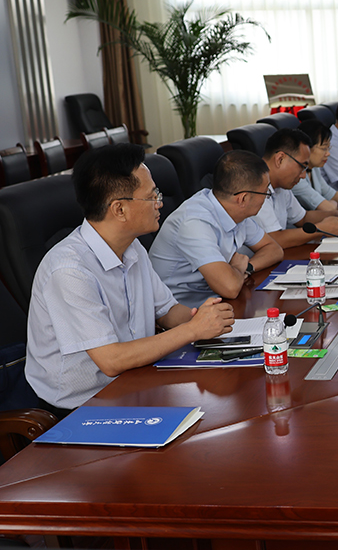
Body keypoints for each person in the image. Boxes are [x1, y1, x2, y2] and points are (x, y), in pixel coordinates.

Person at [23, 145, 237, 414]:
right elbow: (111, 360)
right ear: (119, 209)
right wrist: (193, 330)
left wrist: (207, 317)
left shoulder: (132, 247)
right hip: (82, 406)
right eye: (152, 196)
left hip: (137, 380)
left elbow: (167, 311)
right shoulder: (69, 270)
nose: (159, 203)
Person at [150, 150, 284, 307]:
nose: (266, 197)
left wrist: (246, 267)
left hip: (215, 301)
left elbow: (274, 249)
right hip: (181, 311)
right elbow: (230, 288)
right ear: (243, 198)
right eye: (265, 192)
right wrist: (236, 269)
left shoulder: (235, 211)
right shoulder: (194, 222)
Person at [257, 128, 338, 248]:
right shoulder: (255, 186)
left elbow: (303, 218)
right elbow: (274, 239)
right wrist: (321, 229)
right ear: (280, 159)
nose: (303, 176)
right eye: (302, 167)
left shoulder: (282, 186)